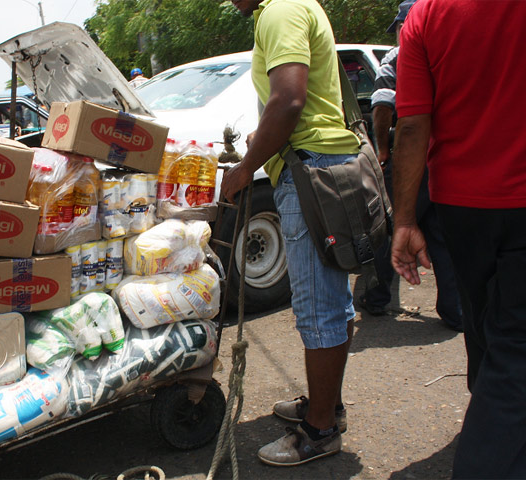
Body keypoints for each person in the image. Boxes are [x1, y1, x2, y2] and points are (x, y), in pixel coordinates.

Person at [391, 0, 526, 477]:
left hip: (462, 207)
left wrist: (404, 219)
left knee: (485, 325)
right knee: (514, 348)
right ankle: (489, 448)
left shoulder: (426, 15)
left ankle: (489, 419)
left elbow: (412, 124)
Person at [223, 0, 361, 466]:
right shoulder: (296, 4)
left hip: (311, 171)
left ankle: (319, 431)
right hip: (317, 164)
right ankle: (327, 406)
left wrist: (246, 168)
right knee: (331, 302)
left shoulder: (279, 9)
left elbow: (288, 100)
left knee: (319, 309)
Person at [359, 0, 463, 332]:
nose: (399, 33)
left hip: (411, 156)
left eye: (400, 26)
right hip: (443, 159)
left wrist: (384, 151)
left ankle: (376, 297)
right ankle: (455, 310)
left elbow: (382, 108)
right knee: (438, 234)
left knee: (390, 226)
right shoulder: (450, 50)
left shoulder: (401, 55)